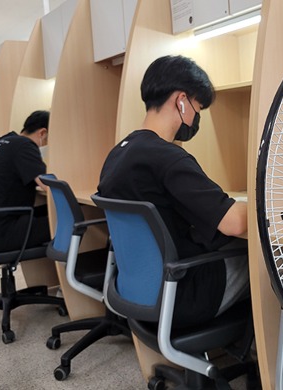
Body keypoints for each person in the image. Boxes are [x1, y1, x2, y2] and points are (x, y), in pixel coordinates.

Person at [97, 55, 249, 328]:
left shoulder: (118, 153)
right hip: (182, 292)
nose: (197, 117)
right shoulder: (167, 158)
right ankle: (260, 361)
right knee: (266, 260)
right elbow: (235, 222)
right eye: (198, 107)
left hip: (140, 291)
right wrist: (263, 200)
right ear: (181, 100)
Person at [0, 110, 50, 253]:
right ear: (42, 133)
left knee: (49, 210)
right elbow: (48, 186)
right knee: (71, 220)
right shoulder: (25, 145)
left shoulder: (3, 141)